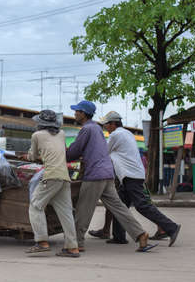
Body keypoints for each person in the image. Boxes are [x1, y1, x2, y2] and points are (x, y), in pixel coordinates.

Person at [66, 100, 156, 252]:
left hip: (95, 174)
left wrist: (59, 155)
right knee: (119, 208)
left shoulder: (87, 129)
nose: (74, 114)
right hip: (107, 173)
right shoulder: (96, 128)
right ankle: (140, 234)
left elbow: (74, 151)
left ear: (83, 113)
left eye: (77, 111)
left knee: (83, 209)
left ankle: (76, 243)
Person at [98, 111, 181, 247]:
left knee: (142, 206)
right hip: (131, 175)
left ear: (113, 124)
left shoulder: (116, 135)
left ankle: (171, 227)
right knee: (120, 206)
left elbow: (104, 152)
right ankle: (119, 236)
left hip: (131, 176)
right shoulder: (127, 133)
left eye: (106, 125)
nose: (105, 127)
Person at [22, 110, 80, 257]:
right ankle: (72, 247)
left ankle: (41, 242)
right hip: (64, 176)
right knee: (66, 212)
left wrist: (28, 156)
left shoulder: (36, 135)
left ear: (40, 123)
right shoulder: (61, 134)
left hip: (51, 175)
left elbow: (33, 156)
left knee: (35, 205)